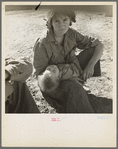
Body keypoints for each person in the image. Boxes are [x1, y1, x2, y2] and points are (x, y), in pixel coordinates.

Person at [33, 8, 112, 113]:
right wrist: (62, 77)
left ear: (70, 20)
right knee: (76, 89)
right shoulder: (43, 43)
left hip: (72, 70)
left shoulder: (71, 34)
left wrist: (90, 66)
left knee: (92, 50)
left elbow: (99, 45)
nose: (62, 24)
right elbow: (39, 75)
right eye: (57, 21)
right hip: (54, 82)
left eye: (65, 20)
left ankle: (80, 93)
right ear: (50, 23)